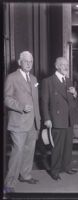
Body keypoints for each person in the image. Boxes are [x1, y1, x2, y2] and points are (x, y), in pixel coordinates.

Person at [4, 51, 41, 192]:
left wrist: (39, 120)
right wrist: (20, 107)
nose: (28, 63)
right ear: (19, 62)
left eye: (31, 61)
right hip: (18, 122)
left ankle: (25, 175)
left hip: (32, 122)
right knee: (17, 151)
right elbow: (6, 98)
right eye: (25, 61)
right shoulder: (11, 77)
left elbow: (36, 102)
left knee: (29, 150)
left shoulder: (34, 78)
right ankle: (10, 183)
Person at [41, 57, 78, 181]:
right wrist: (47, 118)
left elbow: (71, 102)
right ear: (56, 66)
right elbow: (44, 102)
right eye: (62, 65)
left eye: (67, 65)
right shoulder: (48, 81)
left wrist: (74, 94)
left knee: (68, 145)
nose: (66, 67)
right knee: (57, 147)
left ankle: (66, 167)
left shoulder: (69, 81)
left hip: (68, 119)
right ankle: (55, 170)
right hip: (56, 119)